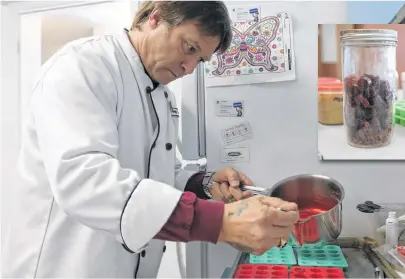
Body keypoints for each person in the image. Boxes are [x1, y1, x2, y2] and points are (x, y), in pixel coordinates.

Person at [1, 1, 299, 278]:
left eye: (200, 59)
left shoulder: (162, 95)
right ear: (155, 17)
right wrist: (219, 222)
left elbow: (159, 174)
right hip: (65, 267)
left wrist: (204, 184)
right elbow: (85, 181)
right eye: (189, 47)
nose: (189, 68)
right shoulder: (82, 67)